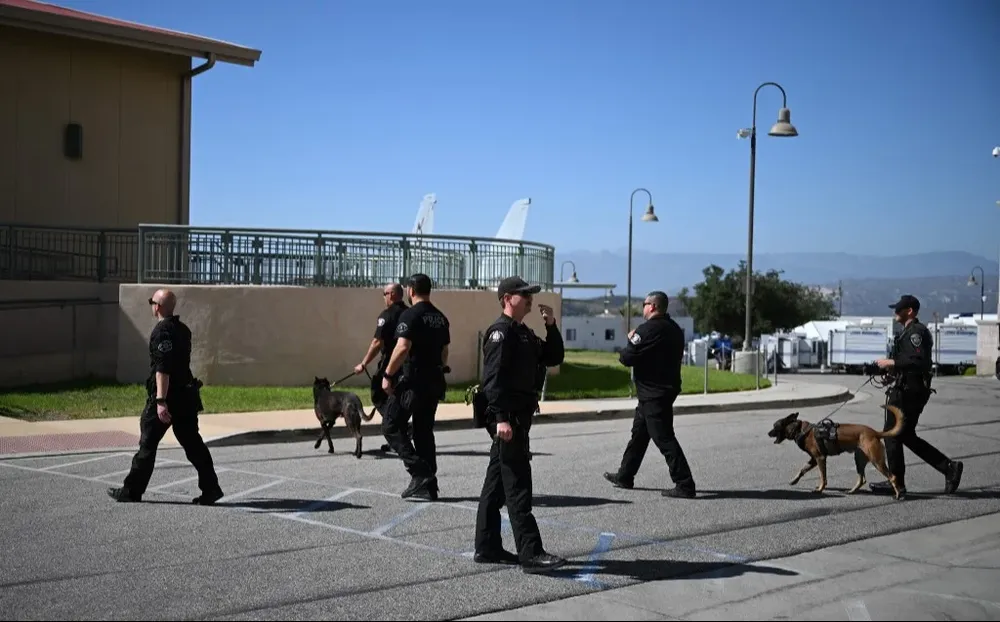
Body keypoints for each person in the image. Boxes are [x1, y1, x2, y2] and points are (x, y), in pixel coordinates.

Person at [474, 276, 566, 573]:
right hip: (509, 420)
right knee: (518, 486)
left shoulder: (523, 333)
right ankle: (531, 553)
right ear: (506, 298)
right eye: (524, 294)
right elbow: (493, 380)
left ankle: (487, 546)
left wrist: (551, 326)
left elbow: (553, 356)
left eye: (531, 295)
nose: (529, 299)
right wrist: (500, 418)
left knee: (496, 485)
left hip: (519, 419)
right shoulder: (500, 333)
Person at [108, 289, 223, 505]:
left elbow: (163, 369)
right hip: (186, 396)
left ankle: (131, 491)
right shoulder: (183, 330)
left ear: (158, 306)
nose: (151, 305)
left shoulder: (162, 332)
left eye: (152, 302)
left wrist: (161, 401)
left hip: (169, 398)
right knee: (193, 444)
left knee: (148, 444)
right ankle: (211, 488)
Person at [869, 295, 963, 499]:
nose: (895, 312)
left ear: (910, 311)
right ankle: (949, 468)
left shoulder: (916, 332)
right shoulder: (907, 332)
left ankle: (896, 483)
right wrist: (892, 375)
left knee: (891, 434)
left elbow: (918, 361)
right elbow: (909, 363)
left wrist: (891, 363)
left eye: (898, 309)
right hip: (909, 389)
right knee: (905, 435)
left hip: (908, 393)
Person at [604, 291, 696, 498]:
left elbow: (627, 358)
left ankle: (685, 483)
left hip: (653, 394)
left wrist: (631, 340)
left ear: (652, 306)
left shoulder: (647, 330)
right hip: (664, 390)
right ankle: (625, 475)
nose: (643, 308)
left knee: (664, 438)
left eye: (644, 304)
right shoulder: (674, 329)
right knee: (639, 435)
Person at [381, 273, 451, 500]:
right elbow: (444, 352)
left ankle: (419, 472)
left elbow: (402, 347)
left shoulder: (410, 315)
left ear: (411, 291)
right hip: (435, 381)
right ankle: (430, 486)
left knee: (391, 425)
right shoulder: (441, 317)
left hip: (414, 382)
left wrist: (388, 374)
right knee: (423, 432)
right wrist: (440, 368)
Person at [354, 282, 411, 452]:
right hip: (408, 363)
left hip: (391, 362)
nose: (383, 297)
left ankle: (397, 429)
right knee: (397, 397)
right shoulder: (409, 313)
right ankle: (400, 432)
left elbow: (377, 342)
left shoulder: (387, 315)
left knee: (377, 393)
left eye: (384, 294)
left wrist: (363, 363)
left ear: (392, 294)